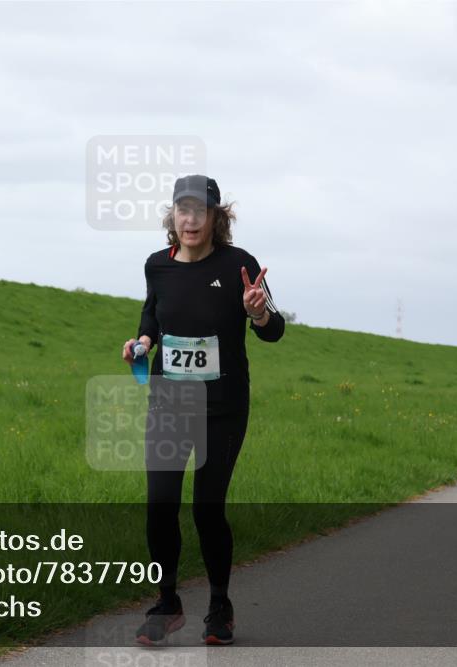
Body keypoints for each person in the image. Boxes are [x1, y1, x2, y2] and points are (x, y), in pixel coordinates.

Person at [121, 174, 284, 646]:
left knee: (207, 509)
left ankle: (219, 606)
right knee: (160, 505)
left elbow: (273, 333)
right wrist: (143, 341)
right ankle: (167, 602)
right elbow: (152, 312)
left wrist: (257, 312)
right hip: (169, 402)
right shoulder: (157, 265)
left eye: (201, 211)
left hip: (223, 407)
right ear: (173, 216)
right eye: (182, 210)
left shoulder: (239, 265)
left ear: (217, 217)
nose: (190, 219)